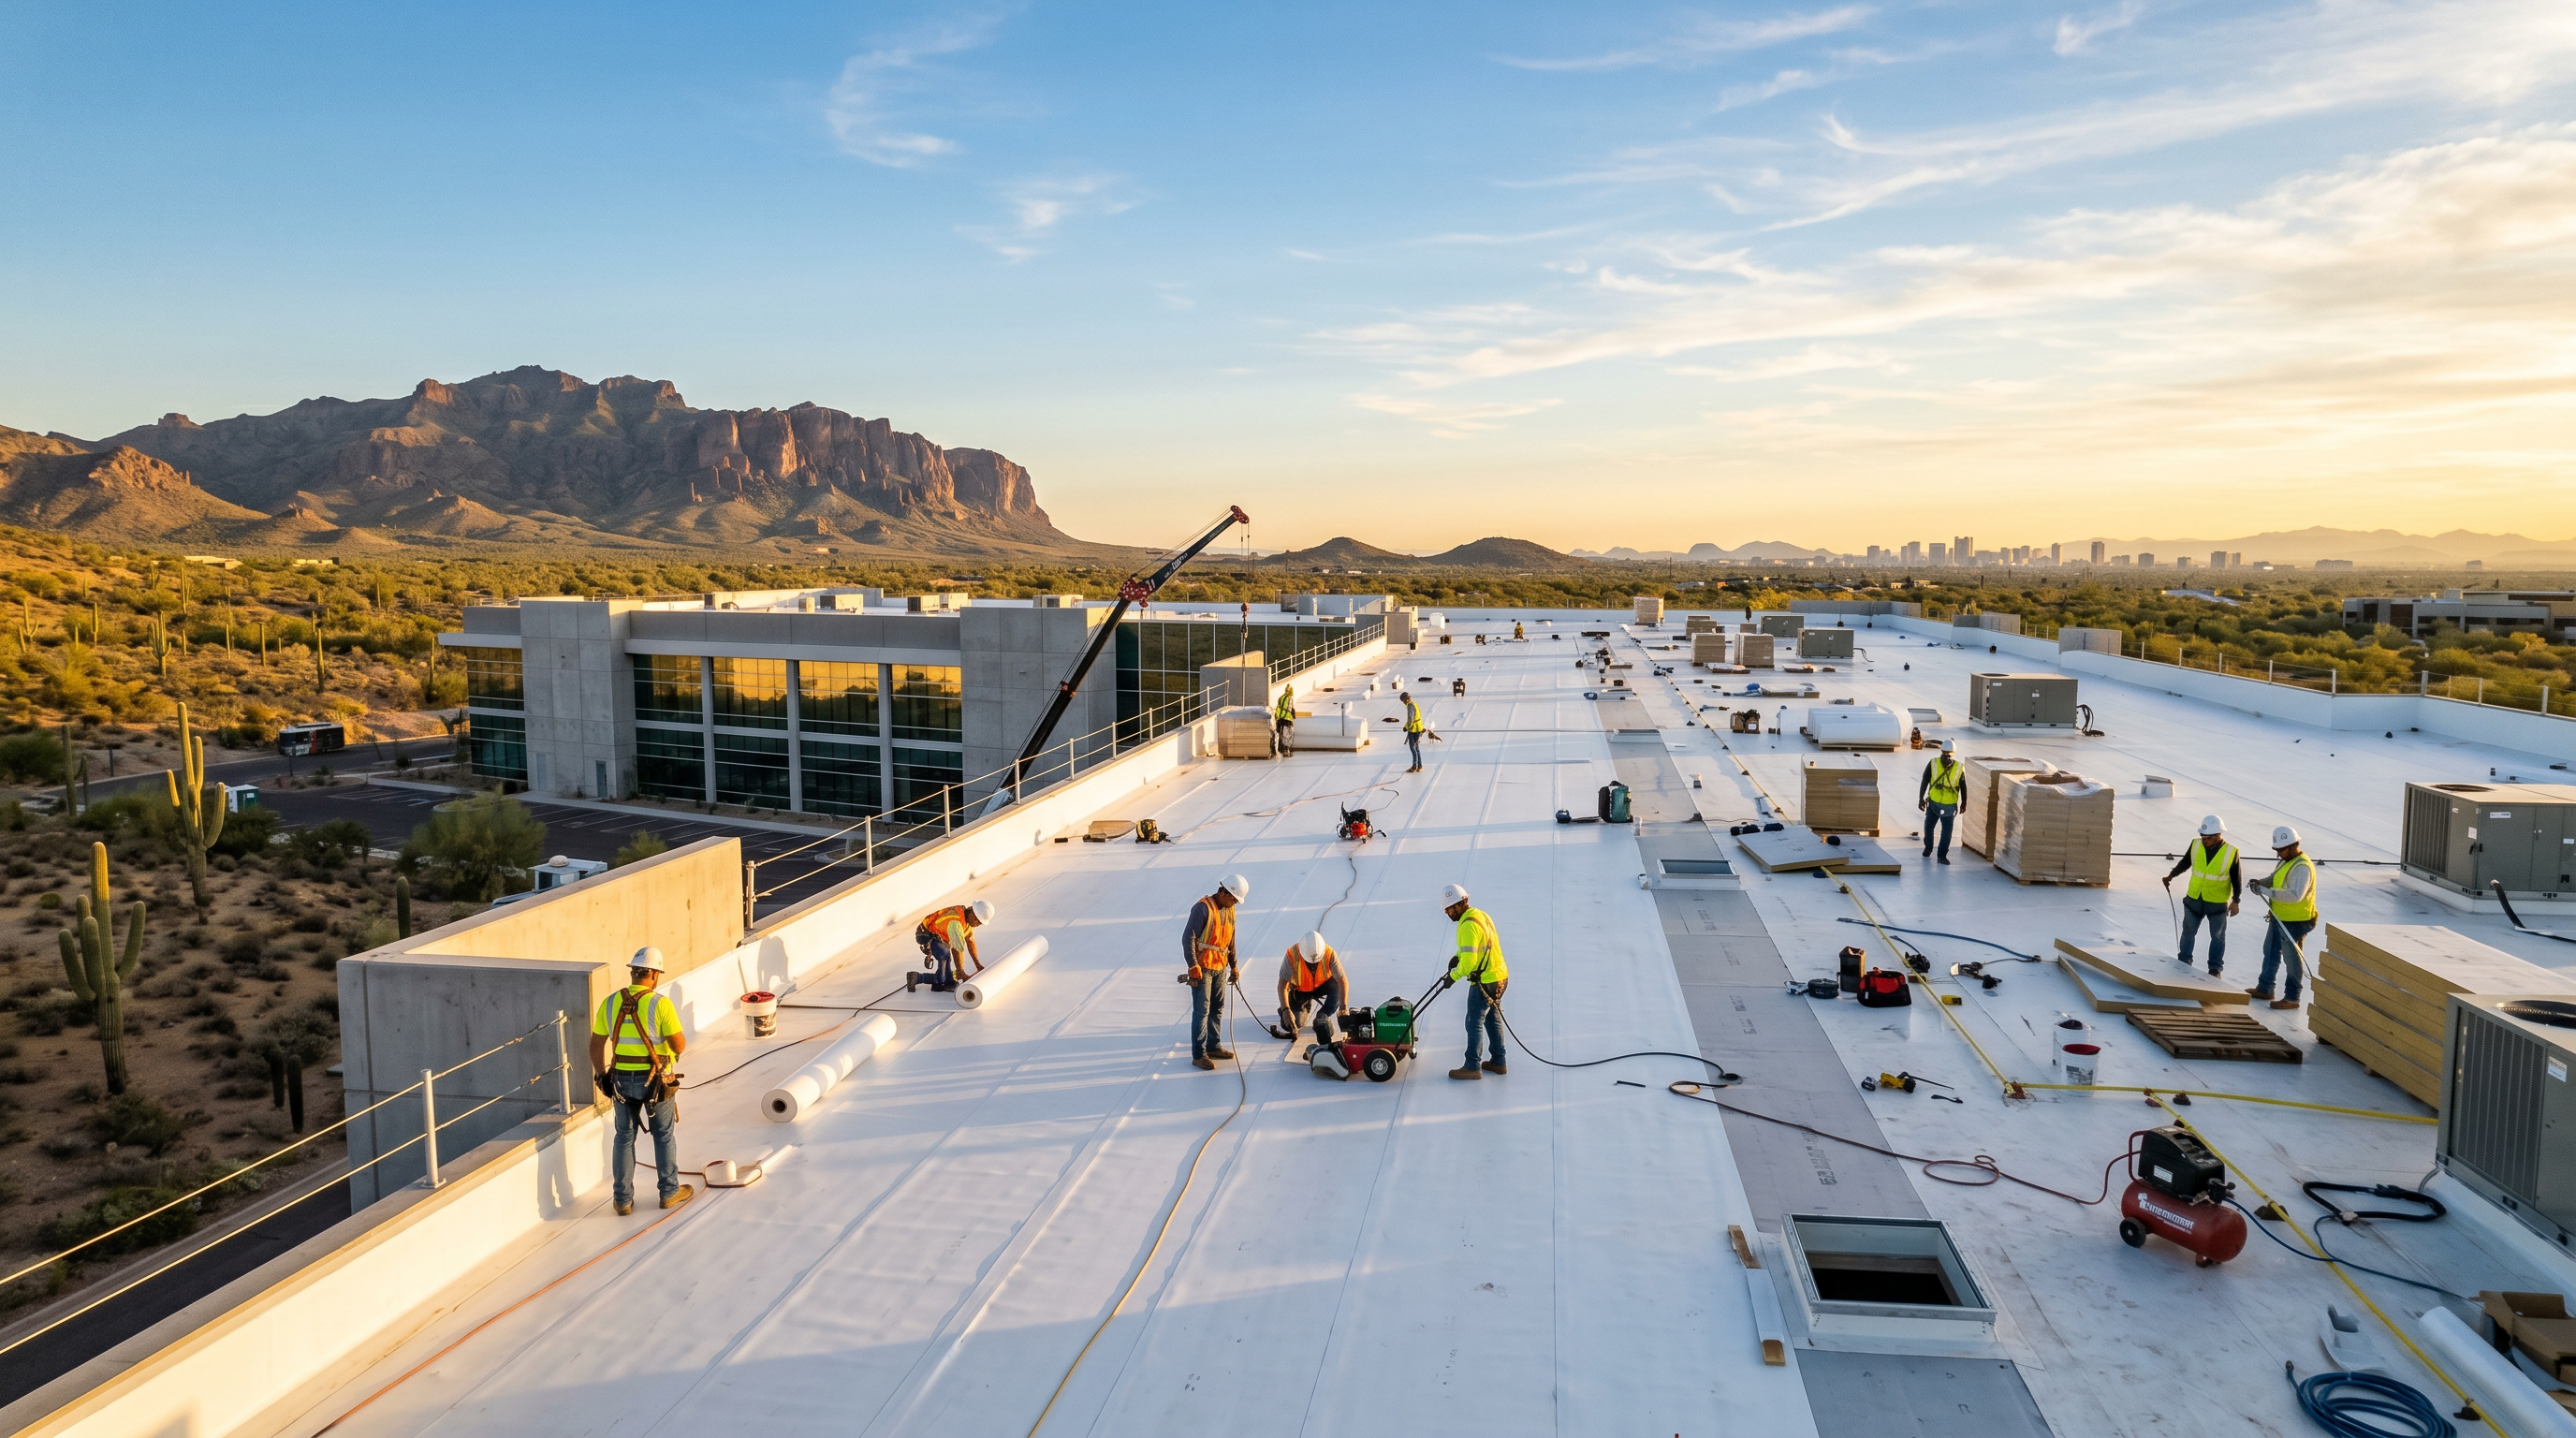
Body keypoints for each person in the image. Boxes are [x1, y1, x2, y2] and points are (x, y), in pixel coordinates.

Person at [589, 946, 690, 1216]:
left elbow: (596, 1044)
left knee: (623, 1137)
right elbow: (679, 1045)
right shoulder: (660, 1003)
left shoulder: (610, 1003)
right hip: (656, 1082)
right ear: (655, 975)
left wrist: (601, 1075)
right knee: (664, 1135)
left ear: (633, 973)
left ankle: (622, 1200)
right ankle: (669, 1192)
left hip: (621, 1080)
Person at [1439, 883, 1508, 1079]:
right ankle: (1499, 1061)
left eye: (1450, 908)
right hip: (1500, 977)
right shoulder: (1480, 915)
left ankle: (1472, 1066)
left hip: (1485, 981)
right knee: (1492, 1018)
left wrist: (1452, 977)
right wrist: (1457, 955)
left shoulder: (1467, 926)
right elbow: (1477, 947)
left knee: (1473, 1021)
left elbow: (1469, 964)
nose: (1447, 913)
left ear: (1461, 903)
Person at [1180, 874, 1250, 1070]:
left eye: (1236, 901)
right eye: (1233, 899)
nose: (1234, 903)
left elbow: (1230, 940)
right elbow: (1188, 938)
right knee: (1202, 1011)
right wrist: (1193, 966)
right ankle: (1199, 1054)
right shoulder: (1203, 908)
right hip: (1203, 968)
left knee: (1217, 1008)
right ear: (1223, 892)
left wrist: (1234, 965)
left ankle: (1213, 1046)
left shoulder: (1230, 910)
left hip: (1220, 967)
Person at [2247, 826, 2318, 1010]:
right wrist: (2260, 883)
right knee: (2270, 951)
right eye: (2276, 850)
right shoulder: (2286, 861)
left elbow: (2295, 895)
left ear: (2294, 846)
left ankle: (2292, 998)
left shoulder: (2302, 867)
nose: (2278, 854)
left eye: (2281, 850)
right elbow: (2274, 878)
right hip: (2279, 917)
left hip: (2295, 922)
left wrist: (2265, 891)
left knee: (2291, 959)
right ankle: (2265, 988)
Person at [2162, 815, 2240, 976]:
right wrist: (2171, 876)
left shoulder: (2231, 852)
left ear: (2219, 835)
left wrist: (2236, 900)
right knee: (2188, 931)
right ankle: (2184, 962)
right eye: (2203, 837)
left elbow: (2236, 878)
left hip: (2217, 901)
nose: (2205, 840)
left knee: (2217, 937)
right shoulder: (2196, 844)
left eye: (2208, 838)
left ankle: (2215, 969)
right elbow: (2185, 862)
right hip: (2194, 898)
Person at [908, 899, 994, 993]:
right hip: (926, 934)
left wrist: (977, 964)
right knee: (944, 955)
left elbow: (970, 941)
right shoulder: (956, 922)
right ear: (971, 911)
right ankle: (920, 978)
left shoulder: (969, 922)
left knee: (947, 960)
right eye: (976, 920)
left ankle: (944, 981)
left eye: (980, 923)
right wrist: (961, 971)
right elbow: (957, 949)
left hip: (940, 936)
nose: (976, 923)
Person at [1276, 930, 1346, 1045]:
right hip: (1299, 991)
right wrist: (1285, 1010)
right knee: (1293, 1024)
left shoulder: (1329, 953)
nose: (1313, 963)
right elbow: (1282, 986)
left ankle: (1322, 1015)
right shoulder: (1292, 956)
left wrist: (1343, 1008)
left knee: (1336, 985)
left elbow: (1342, 981)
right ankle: (1295, 1006)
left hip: (1322, 986)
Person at [1917, 740, 1963, 864]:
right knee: (1929, 827)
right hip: (1934, 803)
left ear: (1953, 753)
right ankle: (1928, 848)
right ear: (1941, 752)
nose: (1947, 757)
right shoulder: (1933, 763)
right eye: (1945, 753)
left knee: (1946, 832)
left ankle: (1941, 855)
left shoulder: (1959, 767)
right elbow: (1925, 780)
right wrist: (1921, 798)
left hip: (1949, 806)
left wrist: (1964, 802)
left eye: (1949, 754)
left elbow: (1963, 786)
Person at [1397, 691, 1427, 772]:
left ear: (1405, 699)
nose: (1403, 702)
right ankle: (1420, 766)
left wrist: (1406, 727)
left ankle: (1414, 766)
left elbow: (1410, 718)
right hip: (1418, 727)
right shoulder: (1414, 704)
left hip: (1414, 729)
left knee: (1413, 747)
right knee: (1416, 747)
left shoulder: (1410, 706)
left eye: (1403, 700)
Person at [1273, 683, 1297, 757]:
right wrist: (1293, 716)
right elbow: (1291, 709)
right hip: (1287, 719)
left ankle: (1279, 749)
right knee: (1287, 734)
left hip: (1280, 719)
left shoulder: (1281, 698)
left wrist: (1277, 717)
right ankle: (1286, 751)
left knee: (1280, 734)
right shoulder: (1290, 698)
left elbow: (1278, 707)